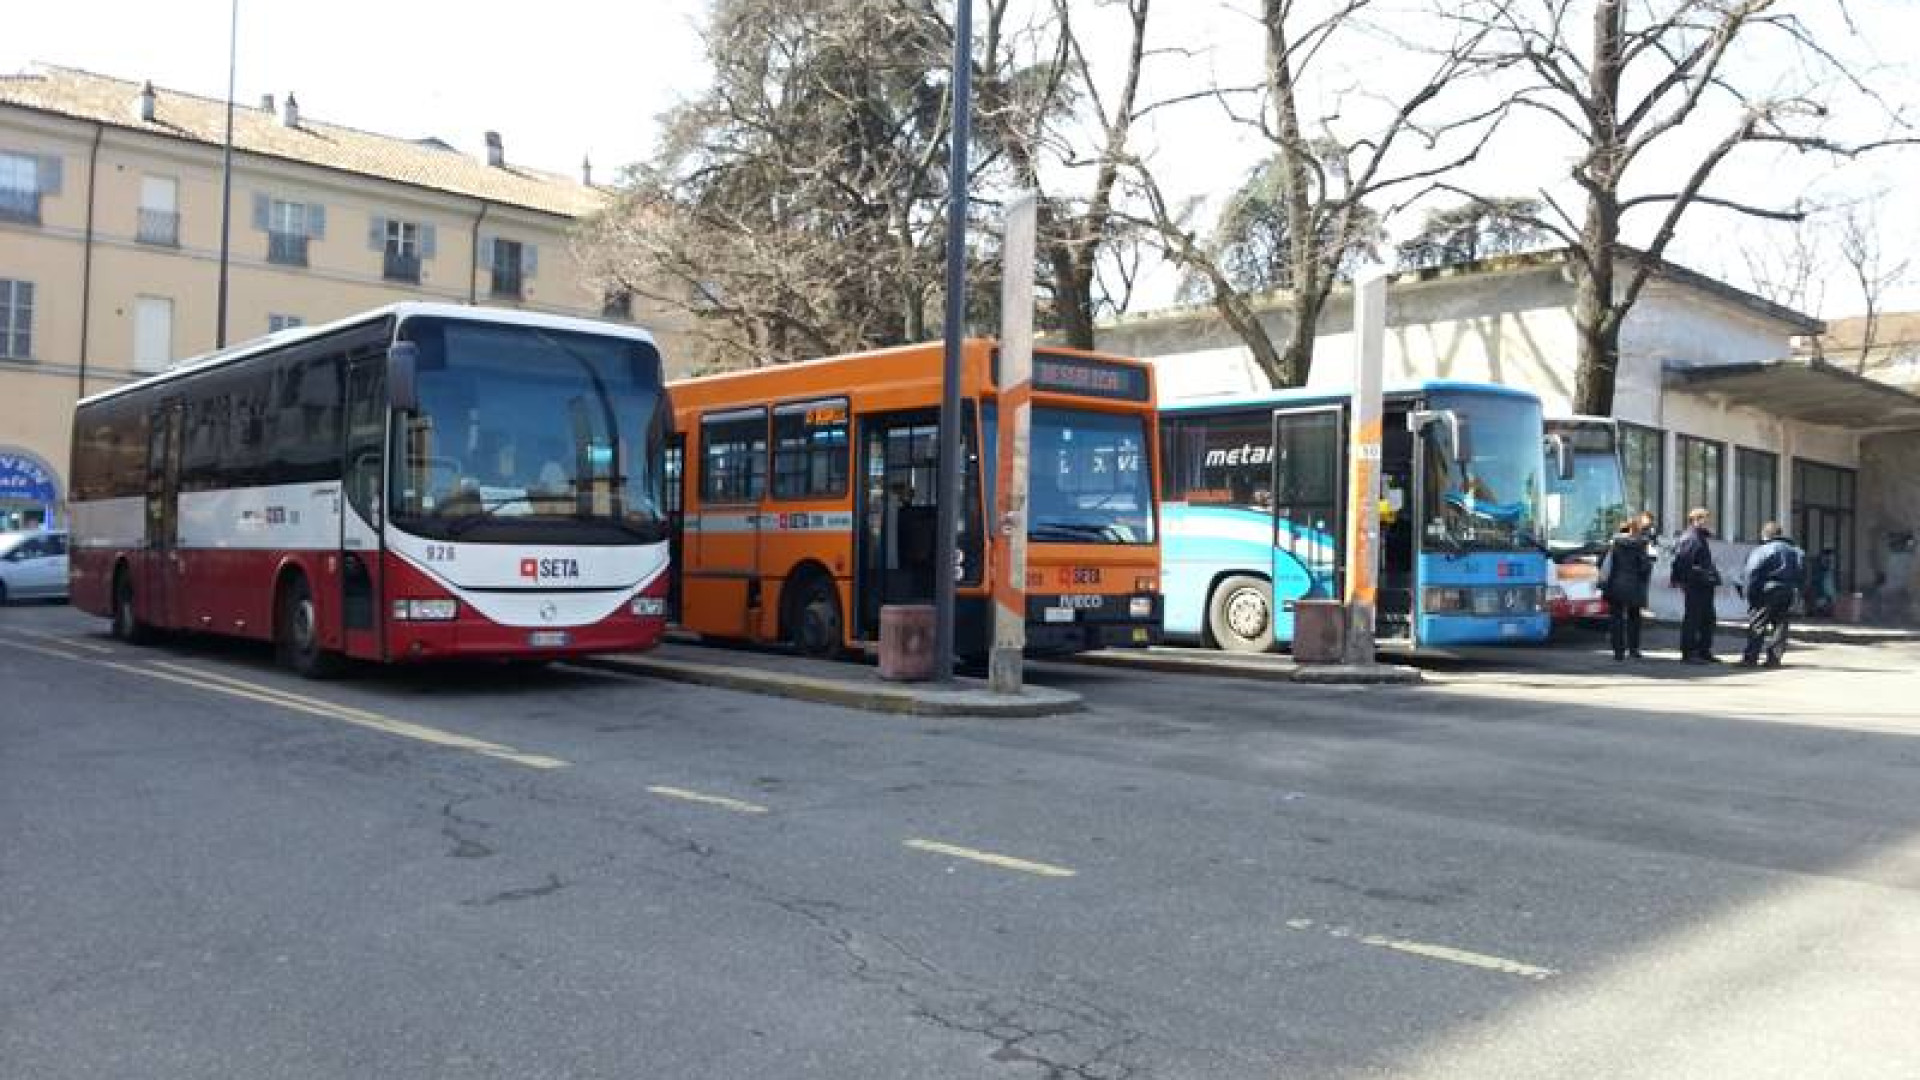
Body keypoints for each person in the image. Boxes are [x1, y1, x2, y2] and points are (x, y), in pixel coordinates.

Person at [1740, 521, 1805, 667]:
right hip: (1787, 590)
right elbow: (1802, 573)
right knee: (1780, 624)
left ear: (1765, 535)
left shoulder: (1763, 550)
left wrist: (1748, 592)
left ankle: (1751, 657)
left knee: (1758, 623)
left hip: (1766, 590)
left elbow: (1751, 572)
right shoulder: (1796, 551)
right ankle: (1774, 658)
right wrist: (1798, 591)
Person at [1599, 515, 1654, 661]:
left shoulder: (1614, 544)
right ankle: (1634, 649)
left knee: (1616, 619)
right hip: (1635, 586)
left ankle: (1618, 652)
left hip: (1616, 585)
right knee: (1634, 618)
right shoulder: (1642, 545)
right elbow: (1645, 567)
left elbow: (1603, 563)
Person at [1671, 507, 1722, 664]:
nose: (1708, 522)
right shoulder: (1691, 538)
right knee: (1693, 618)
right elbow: (1682, 562)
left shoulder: (1699, 537)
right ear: (1696, 520)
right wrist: (1683, 580)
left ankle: (1703, 650)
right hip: (1695, 584)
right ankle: (1689, 652)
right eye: (1705, 518)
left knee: (1707, 618)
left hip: (1703, 584)